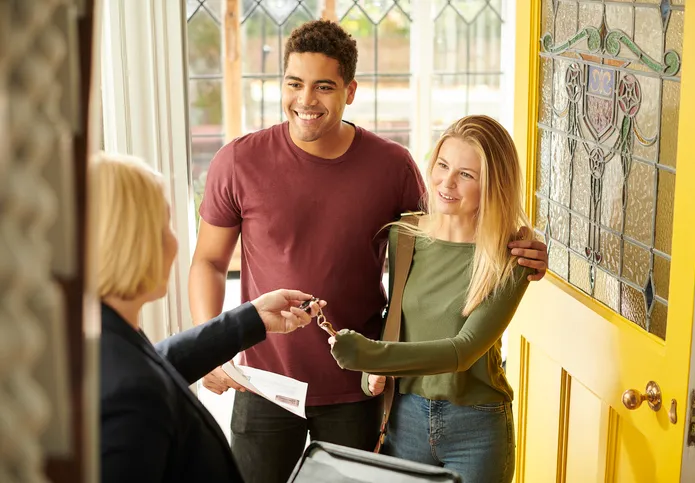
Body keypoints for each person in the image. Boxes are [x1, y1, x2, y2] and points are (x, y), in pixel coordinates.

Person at [190, 20, 549, 483]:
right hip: (265, 384)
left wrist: (524, 246)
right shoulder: (237, 161)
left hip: (357, 390)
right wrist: (209, 347)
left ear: (350, 91)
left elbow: (452, 228)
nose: (305, 100)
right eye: (294, 83)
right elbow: (208, 261)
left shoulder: (392, 166)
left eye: (323, 86)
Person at [95, 153, 324, 483]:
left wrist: (252, 318)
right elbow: (140, 382)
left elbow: (156, 363)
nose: (174, 244)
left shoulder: (103, 332)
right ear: (129, 242)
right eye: (164, 227)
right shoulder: (131, 398)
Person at [329, 115, 532, 483]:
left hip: (477, 428)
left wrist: (371, 354)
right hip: (405, 420)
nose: (446, 182)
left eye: (466, 175)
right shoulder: (403, 235)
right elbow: (397, 320)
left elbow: (463, 349)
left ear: (493, 185)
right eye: (442, 165)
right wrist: (372, 372)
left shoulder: (511, 257)